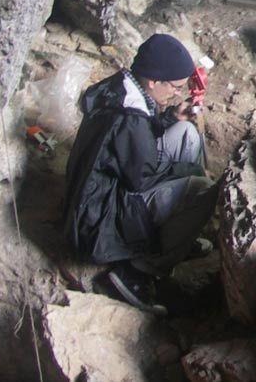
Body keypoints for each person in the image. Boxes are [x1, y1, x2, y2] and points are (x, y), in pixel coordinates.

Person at [63, 33, 219, 315]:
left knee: (185, 134)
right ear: (154, 81)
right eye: (174, 87)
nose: (176, 93)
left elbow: (133, 145)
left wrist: (170, 118)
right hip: (97, 221)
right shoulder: (128, 118)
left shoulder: (123, 87)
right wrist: (191, 171)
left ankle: (177, 235)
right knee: (202, 189)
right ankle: (137, 271)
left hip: (101, 193)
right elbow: (143, 178)